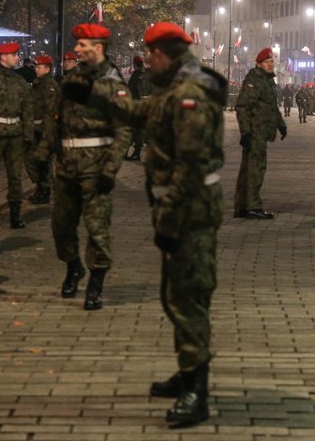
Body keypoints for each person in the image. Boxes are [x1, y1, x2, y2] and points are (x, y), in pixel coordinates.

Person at [61, 21, 225, 426]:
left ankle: (196, 391)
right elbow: (140, 112)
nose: (146, 61)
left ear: (163, 54)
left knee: (187, 297)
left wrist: (170, 217)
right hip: (181, 210)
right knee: (176, 295)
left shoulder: (188, 95)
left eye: (150, 54)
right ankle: (188, 372)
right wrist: (95, 95)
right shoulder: (175, 87)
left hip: (189, 212)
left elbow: (190, 166)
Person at [50, 24, 131, 310]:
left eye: (83, 45)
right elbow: (58, 116)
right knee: (61, 225)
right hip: (68, 164)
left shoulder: (114, 84)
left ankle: (95, 284)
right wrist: (55, 147)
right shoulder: (72, 77)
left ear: (98, 48)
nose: (77, 50)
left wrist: (110, 171)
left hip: (96, 164)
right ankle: (73, 266)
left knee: (96, 227)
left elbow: (123, 130)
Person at [234, 48, 286, 219]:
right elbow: (242, 106)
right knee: (255, 169)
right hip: (255, 132)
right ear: (259, 64)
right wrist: (246, 132)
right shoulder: (255, 80)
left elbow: (271, 107)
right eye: (266, 62)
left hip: (261, 131)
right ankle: (253, 206)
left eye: (271, 61)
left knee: (249, 169)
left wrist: (281, 124)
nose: (270, 64)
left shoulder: (267, 81)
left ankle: (243, 206)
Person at [0, 42, 33, 229]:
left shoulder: (19, 81)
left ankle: (15, 215)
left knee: (15, 178)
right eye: (15, 54)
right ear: (3, 56)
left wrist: (28, 136)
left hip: (15, 135)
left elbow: (27, 109)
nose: (18, 58)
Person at [26, 55, 59, 205]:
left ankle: (45, 191)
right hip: (36, 129)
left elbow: (50, 112)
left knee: (44, 161)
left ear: (47, 69)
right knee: (34, 161)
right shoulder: (38, 84)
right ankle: (41, 188)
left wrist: (47, 135)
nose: (36, 69)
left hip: (45, 130)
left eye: (39, 67)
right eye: (36, 67)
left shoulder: (49, 86)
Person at [125, 53, 152, 161]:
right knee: (139, 130)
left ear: (135, 64)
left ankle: (136, 153)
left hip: (137, 106)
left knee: (136, 131)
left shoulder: (136, 76)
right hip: (146, 105)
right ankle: (135, 151)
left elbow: (132, 91)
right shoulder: (147, 75)